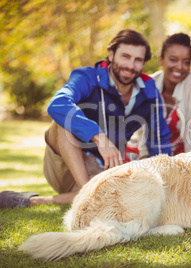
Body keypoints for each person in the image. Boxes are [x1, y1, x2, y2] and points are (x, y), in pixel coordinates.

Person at [0, 29, 172, 208]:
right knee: (63, 121)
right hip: (65, 162)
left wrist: (166, 181)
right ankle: (89, 197)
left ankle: (35, 201)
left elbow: (159, 143)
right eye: (125, 56)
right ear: (111, 55)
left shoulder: (149, 92)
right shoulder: (87, 76)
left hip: (102, 168)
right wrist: (98, 136)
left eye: (138, 60)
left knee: (122, 196)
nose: (131, 65)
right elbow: (57, 104)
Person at [128, 33, 191, 159]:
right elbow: (143, 132)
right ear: (161, 59)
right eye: (173, 60)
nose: (179, 67)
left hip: (184, 160)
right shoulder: (150, 82)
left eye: (186, 62)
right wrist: (145, 160)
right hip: (152, 156)